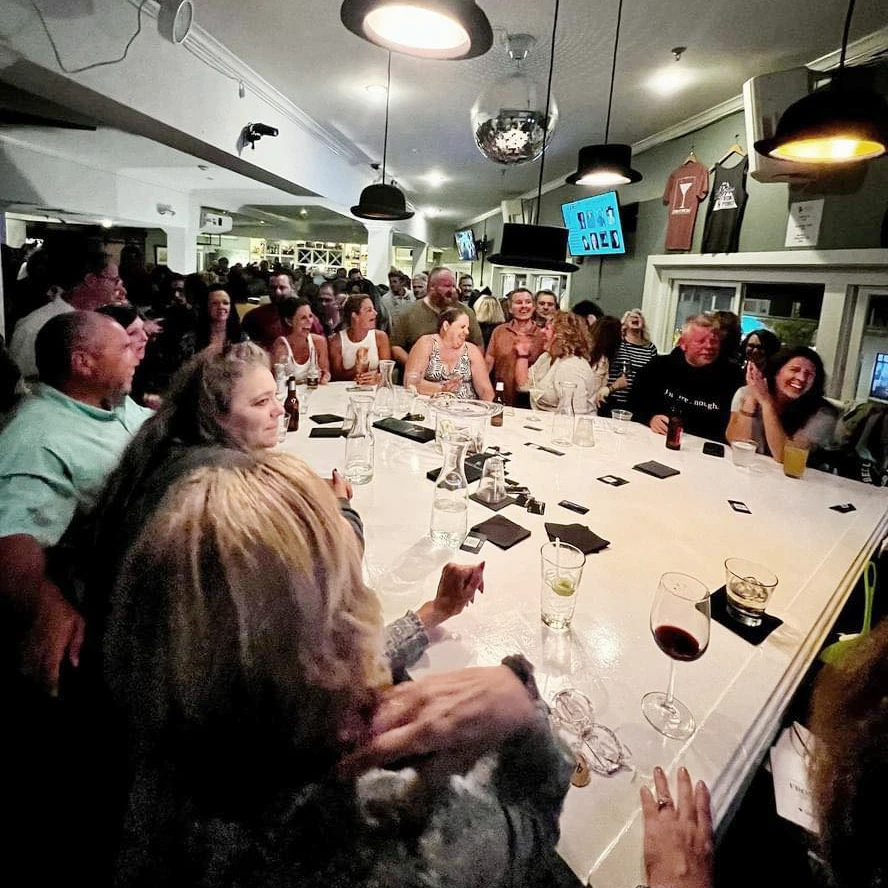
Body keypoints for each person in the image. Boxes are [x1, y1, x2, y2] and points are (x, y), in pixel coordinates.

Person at [103, 450, 573, 887]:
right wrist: (523, 710)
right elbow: (531, 821)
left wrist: (429, 615)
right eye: (347, 596)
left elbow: (286, 654)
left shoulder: (172, 763)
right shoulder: (394, 845)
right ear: (331, 647)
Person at [0, 311, 150, 695]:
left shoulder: (108, 403)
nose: (136, 353)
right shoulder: (37, 436)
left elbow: (152, 423)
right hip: (118, 609)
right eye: (123, 348)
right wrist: (43, 604)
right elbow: (12, 537)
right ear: (83, 362)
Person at [630, 314, 741, 441]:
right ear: (683, 344)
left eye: (714, 341)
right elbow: (634, 403)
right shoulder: (658, 367)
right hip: (658, 441)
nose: (709, 346)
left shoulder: (733, 377)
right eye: (701, 341)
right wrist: (650, 418)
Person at [726, 346, 838, 461]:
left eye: (809, 374)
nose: (801, 378)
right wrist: (751, 398)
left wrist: (766, 404)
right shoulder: (745, 393)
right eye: (794, 370)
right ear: (776, 372)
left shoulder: (824, 414)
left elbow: (786, 457)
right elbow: (736, 441)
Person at [390, 266, 483, 365]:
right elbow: (396, 347)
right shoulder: (408, 313)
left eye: (454, 286)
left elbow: (478, 347)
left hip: (458, 376)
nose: (452, 290)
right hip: (418, 377)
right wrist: (416, 366)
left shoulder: (466, 313)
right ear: (432, 287)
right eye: (447, 286)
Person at [405, 306, 493, 400]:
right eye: (462, 327)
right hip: (431, 407)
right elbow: (411, 382)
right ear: (446, 326)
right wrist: (442, 389)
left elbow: (486, 390)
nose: (467, 332)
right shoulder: (426, 343)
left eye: (467, 328)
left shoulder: (471, 350)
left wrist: (485, 411)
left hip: (466, 409)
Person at [516, 311, 598, 412]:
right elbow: (523, 386)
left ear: (560, 335)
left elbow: (574, 413)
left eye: (547, 328)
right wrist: (522, 354)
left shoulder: (571, 366)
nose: (541, 331)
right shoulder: (546, 358)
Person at [485, 287, 545, 407]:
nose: (524, 306)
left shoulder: (542, 334)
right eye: (518, 302)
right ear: (510, 309)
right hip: (501, 398)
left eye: (528, 302)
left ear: (533, 307)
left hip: (531, 403)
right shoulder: (499, 331)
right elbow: (488, 363)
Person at [329, 294, 392, 384]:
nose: (375, 313)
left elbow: (385, 371)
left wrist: (377, 377)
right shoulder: (336, 341)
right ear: (354, 315)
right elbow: (335, 378)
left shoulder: (380, 337)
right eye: (369, 310)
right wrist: (355, 369)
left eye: (373, 309)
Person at [607, 308, 658, 412]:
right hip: (615, 398)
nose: (635, 317)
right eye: (631, 316)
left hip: (638, 402)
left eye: (639, 316)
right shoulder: (617, 344)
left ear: (643, 324)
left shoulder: (650, 348)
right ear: (624, 324)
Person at [271, 297, 331, 383]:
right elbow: (278, 382)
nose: (309, 321)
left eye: (310, 316)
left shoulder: (319, 342)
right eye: (303, 318)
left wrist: (325, 376)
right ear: (289, 321)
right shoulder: (281, 346)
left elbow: (325, 373)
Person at [241, 269, 297, 350]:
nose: (277, 292)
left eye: (282, 287)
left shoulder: (306, 317)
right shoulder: (254, 316)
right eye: (273, 288)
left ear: (292, 288)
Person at [587, 315, 628, 411]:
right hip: (587, 411)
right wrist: (614, 387)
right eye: (621, 334)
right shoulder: (601, 361)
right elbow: (592, 394)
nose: (622, 339)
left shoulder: (590, 353)